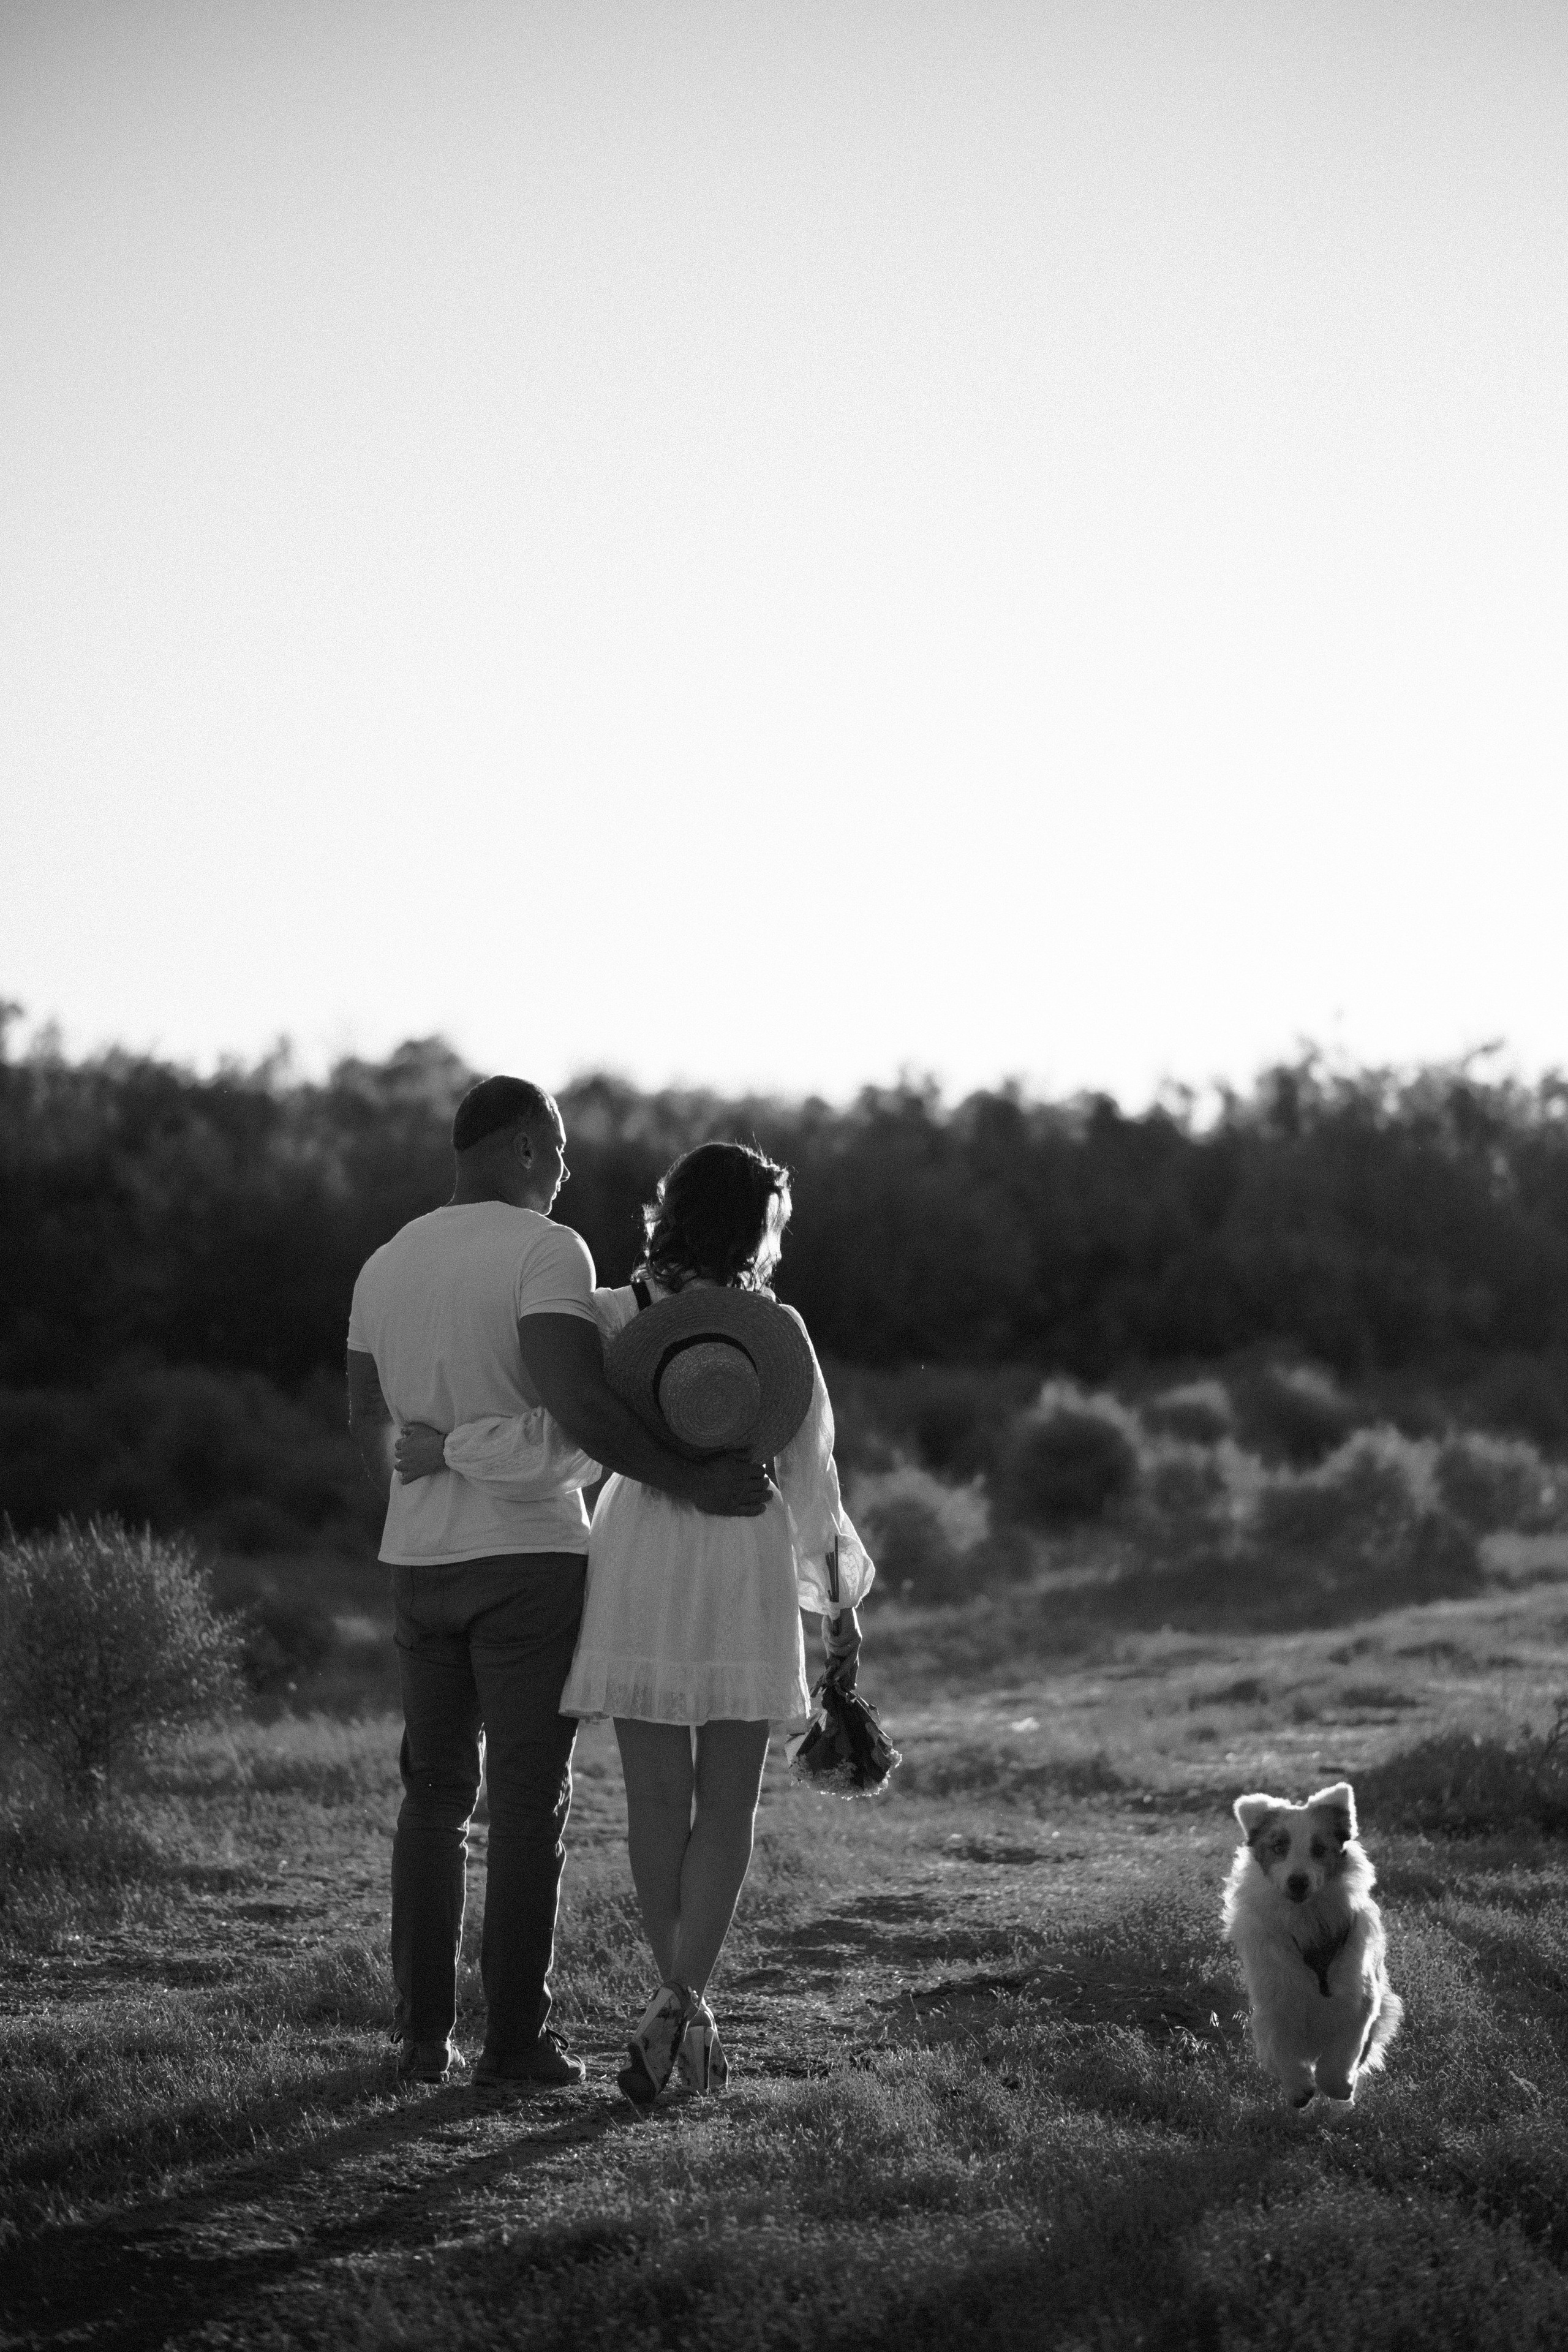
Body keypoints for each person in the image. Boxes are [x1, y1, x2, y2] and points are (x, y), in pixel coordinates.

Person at [396, 1140, 874, 2105]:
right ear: (756, 1228)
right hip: (743, 1551)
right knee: (729, 1801)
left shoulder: (613, 1316)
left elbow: (559, 1446)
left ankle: (676, 2010)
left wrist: (451, 1448)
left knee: (658, 1801)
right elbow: (815, 1484)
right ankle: (683, 2006)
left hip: (642, 1550)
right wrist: (840, 1606)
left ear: (673, 1211)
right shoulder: (776, 1331)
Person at [347, 1079, 771, 2092]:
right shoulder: (549, 1251)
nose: (572, 1175)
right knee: (528, 1806)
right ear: (529, 1147)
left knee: (433, 1800)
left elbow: (366, 1415)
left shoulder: (385, 1260)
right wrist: (690, 1479)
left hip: (418, 1564)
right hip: (529, 1560)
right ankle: (515, 2046)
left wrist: (416, 1500)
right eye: (566, 1154)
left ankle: (419, 2040)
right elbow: (584, 1413)